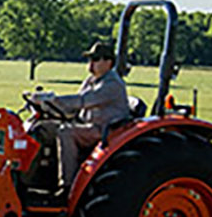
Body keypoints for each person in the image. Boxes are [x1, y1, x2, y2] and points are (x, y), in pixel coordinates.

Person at [26, 40, 135, 193]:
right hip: (88, 125)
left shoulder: (112, 84)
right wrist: (46, 105)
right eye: (90, 59)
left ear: (108, 62)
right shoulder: (91, 80)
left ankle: (67, 186)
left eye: (95, 59)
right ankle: (33, 181)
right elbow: (73, 107)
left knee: (66, 132)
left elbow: (83, 101)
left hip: (104, 130)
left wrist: (52, 98)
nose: (91, 63)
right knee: (42, 128)